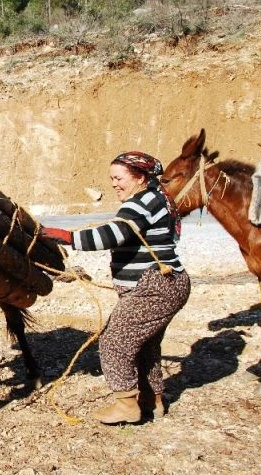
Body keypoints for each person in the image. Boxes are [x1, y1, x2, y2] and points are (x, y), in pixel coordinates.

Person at [43, 151, 190, 424]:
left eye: (119, 178)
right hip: (166, 284)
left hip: (155, 286)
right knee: (144, 345)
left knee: (114, 342)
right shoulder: (154, 199)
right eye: (111, 178)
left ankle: (126, 405)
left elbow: (114, 235)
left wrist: (63, 235)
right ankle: (152, 399)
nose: (114, 184)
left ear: (140, 177)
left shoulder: (140, 202)